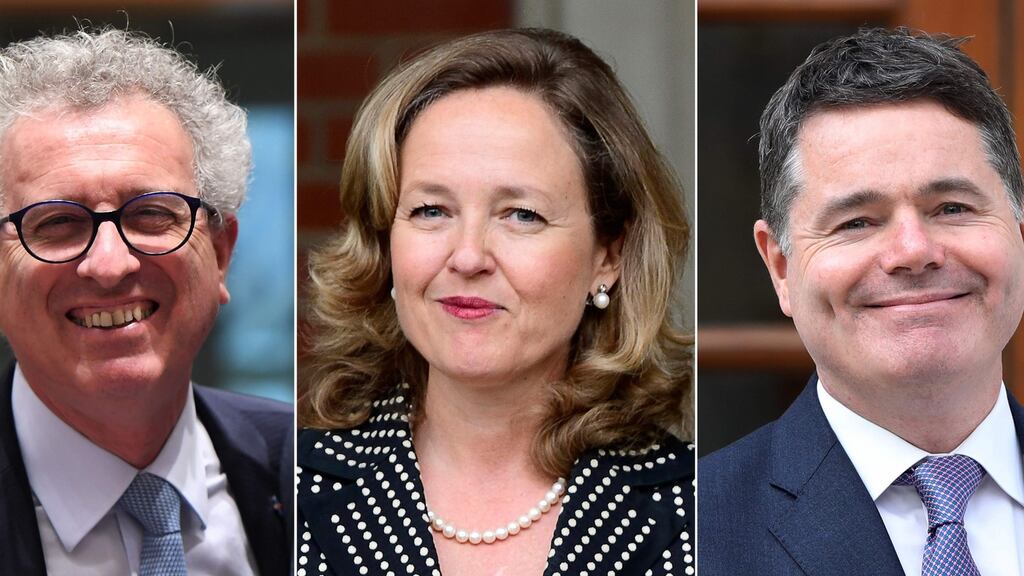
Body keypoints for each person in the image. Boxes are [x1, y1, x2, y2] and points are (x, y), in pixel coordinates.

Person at [297, 28, 693, 576]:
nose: (467, 256)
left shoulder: (696, 512)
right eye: (431, 210)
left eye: (521, 215)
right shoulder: (287, 495)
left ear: (609, 255)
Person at [699, 27, 1024, 575]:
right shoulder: (693, 530)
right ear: (780, 267)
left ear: (1017, 232)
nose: (913, 252)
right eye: (857, 222)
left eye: (952, 208)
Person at [0, 29, 292, 575]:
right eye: (58, 223)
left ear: (222, 254)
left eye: (152, 214)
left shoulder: (318, 473)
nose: (110, 264)